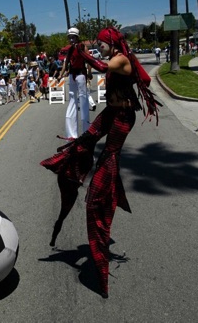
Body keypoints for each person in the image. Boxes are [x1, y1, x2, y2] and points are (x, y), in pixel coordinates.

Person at [40, 26, 162, 299]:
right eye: (97, 44)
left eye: (101, 43)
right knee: (82, 142)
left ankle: (101, 195)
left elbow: (99, 64)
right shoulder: (115, 56)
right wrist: (78, 52)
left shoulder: (121, 59)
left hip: (123, 118)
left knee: (107, 160)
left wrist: (80, 52)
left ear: (111, 43)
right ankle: (66, 169)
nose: (99, 46)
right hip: (111, 112)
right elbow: (97, 63)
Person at [57, 27, 93, 138]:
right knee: (72, 99)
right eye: (70, 37)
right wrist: (61, 74)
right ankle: (72, 134)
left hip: (81, 74)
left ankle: (86, 131)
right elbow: (66, 63)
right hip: (72, 75)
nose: (71, 39)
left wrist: (90, 71)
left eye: (73, 37)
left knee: (83, 99)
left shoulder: (82, 47)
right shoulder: (70, 49)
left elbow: (89, 60)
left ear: (77, 37)